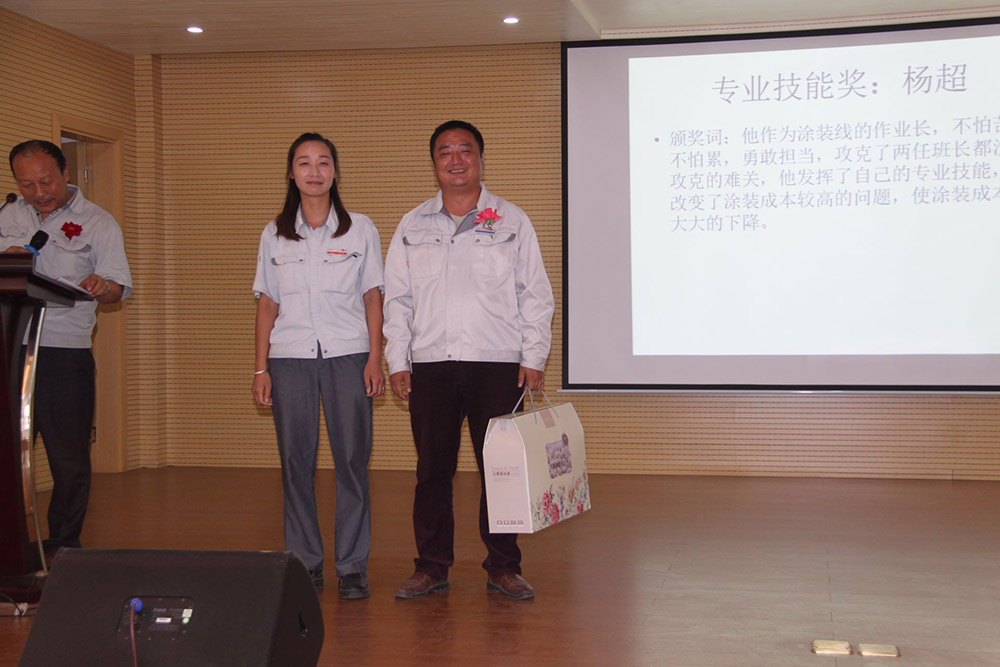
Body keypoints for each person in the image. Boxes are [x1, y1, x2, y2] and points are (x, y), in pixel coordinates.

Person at [383, 120, 554, 600]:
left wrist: (533, 356)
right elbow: (397, 299)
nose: (455, 160)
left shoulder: (512, 220)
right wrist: (398, 359)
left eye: (465, 150)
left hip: (497, 364)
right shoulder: (412, 225)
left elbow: (535, 294)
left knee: (501, 472)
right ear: (434, 163)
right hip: (431, 363)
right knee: (432, 472)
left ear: (480, 158)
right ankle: (431, 566)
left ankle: (503, 566)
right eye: (445, 152)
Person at [251, 132, 384, 600]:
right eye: (304, 163)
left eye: (323, 162)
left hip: (349, 355)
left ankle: (352, 566)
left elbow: (373, 296)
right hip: (289, 359)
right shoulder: (274, 232)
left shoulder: (360, 229)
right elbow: (268, 302)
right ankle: (305, 562)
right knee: (295, 463)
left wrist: (375, 357)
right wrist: (260, 368)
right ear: (291, 173)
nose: (314, 171)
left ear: (335, 172)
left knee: (351, 461)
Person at [0, 140, 132, 554]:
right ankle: (12, 544)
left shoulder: (98, 222)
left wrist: (102, 286)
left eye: (47, 182)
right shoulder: (7, 215)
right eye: (27, 185)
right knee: (7, 453)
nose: (39, 193)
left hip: (63, 352)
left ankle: (63, 544)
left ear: (66, 174)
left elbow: (117, 288)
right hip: (11, 346)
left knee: (67, 457)